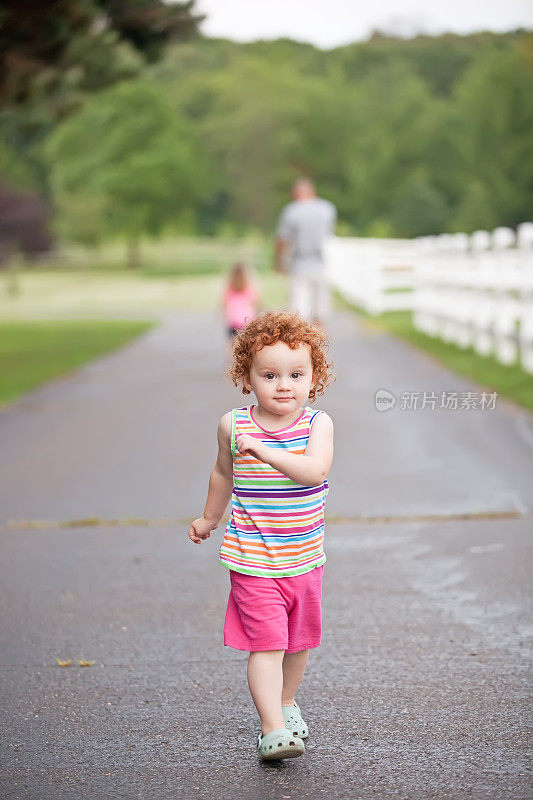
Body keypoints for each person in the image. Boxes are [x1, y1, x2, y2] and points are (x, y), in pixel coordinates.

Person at [188, 310, 335, 762]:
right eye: (269, 375)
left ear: (314, 379)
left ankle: (287, 702)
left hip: (305, 559)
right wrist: (209, 518)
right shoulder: (234, 426)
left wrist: (267, 452)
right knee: (267, 644)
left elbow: (314, 472)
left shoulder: (317, 425)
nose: (283, 385)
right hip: (253, 559)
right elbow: (222, 473)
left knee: (299, 643)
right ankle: (272, 729)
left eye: (296, 374)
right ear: (247, 378)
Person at [274, 178, 337, 328]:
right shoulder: (328, 209)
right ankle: (319, 347)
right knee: (320, 311)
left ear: (297, 193)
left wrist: (278, 262)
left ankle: (302, 348)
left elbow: (282, 239)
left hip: (299, 265)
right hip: (321, 264)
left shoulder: (291, 211)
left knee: (298, 313)